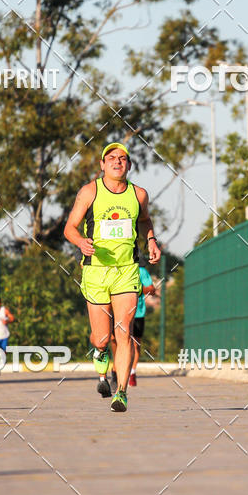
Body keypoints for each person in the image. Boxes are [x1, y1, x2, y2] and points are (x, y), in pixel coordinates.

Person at [64, 142, 161, 413]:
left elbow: (144, 220)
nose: (117, 162)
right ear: (102, 165)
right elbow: (70, 227)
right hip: (95, 271)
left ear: (129, 165)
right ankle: (100, 352)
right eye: (111, 158)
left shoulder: (139, 194)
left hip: (126, 270)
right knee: (102, 337)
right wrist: (80, 242)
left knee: (124, 332)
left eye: (122, 158)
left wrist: (151, 239)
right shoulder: (89, 191)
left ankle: (121, 392)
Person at [110, 262, 155, 389]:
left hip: (138, 313)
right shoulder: (116, 267)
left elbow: (151, 289)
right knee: (116, 339)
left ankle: (132, 372)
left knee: (135, 343)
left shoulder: (141, 271)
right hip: (119, 312)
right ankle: (116, 368)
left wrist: (136, 288)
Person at [0, 296, 15, 376]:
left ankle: (1, 363)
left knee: (3, 353)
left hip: (4, 335)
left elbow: (12, 318)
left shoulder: (4, 310)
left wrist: (7, 320)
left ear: (0, 304)